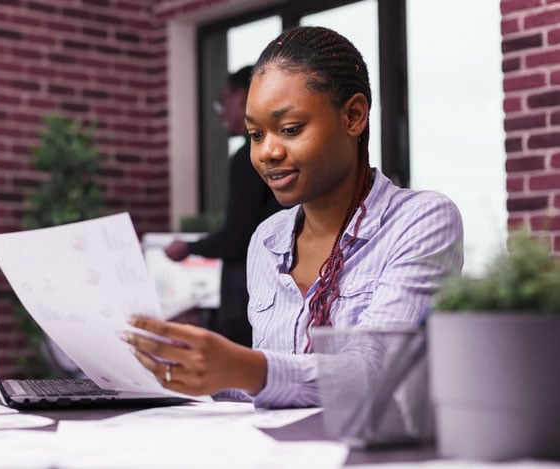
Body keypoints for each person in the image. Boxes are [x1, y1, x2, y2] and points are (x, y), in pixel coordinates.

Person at [124, 26, 463, 409]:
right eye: (254, 134)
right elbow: (272, 384)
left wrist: (240, 367)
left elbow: (377, 371)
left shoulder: (421, 222)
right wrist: (188, 363)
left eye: (289, 129)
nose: (267, 152)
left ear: (353, 116)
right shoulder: (267, 240)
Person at [163, 65, 282, 347]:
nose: (220, 111)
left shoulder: (251, 158)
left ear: (242, 97)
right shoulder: (269, 155)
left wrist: (189, 248)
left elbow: (238, 238)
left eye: (223, 101)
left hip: (249, 300)